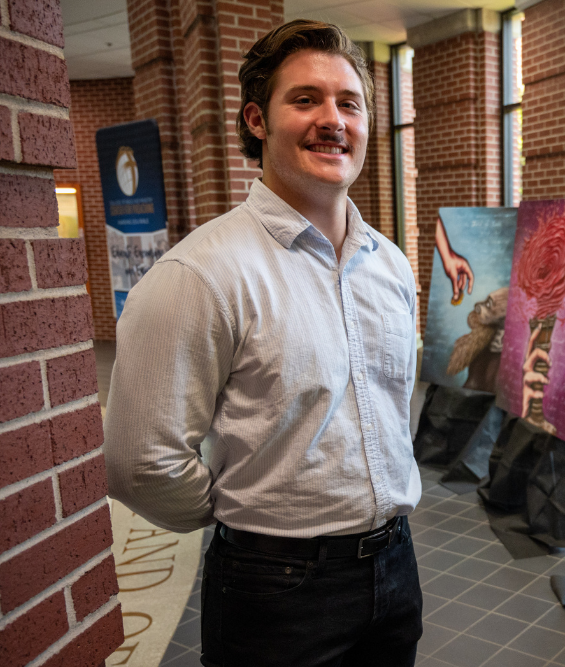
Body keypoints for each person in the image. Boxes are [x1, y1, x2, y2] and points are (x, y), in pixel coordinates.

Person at [103, 20, 423, 666]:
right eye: (305, 99)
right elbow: (139, 460)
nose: (332, 119)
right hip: (273, 587)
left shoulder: (390, 265)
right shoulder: (200, 275)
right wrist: (252, 516)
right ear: (257, 119)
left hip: (395, 566)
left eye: (349, 102)